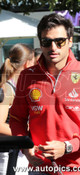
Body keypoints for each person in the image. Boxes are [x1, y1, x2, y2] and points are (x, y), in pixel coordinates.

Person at [9, 13, 80, 175]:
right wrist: (25, 147)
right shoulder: (27, 76)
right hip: (40, 168)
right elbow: (16, 119)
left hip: (79, 169)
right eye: (47, 42)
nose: (53, 47)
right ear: (41, 44)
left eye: (60, 41)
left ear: (70, 41)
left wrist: (68, 146)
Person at [0, 43, 35, 175]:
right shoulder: (7, 88)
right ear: (27, 64)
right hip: (6, 157)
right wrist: (27, 133)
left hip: (13, 154)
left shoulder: (13, 86)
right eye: (34, 63)